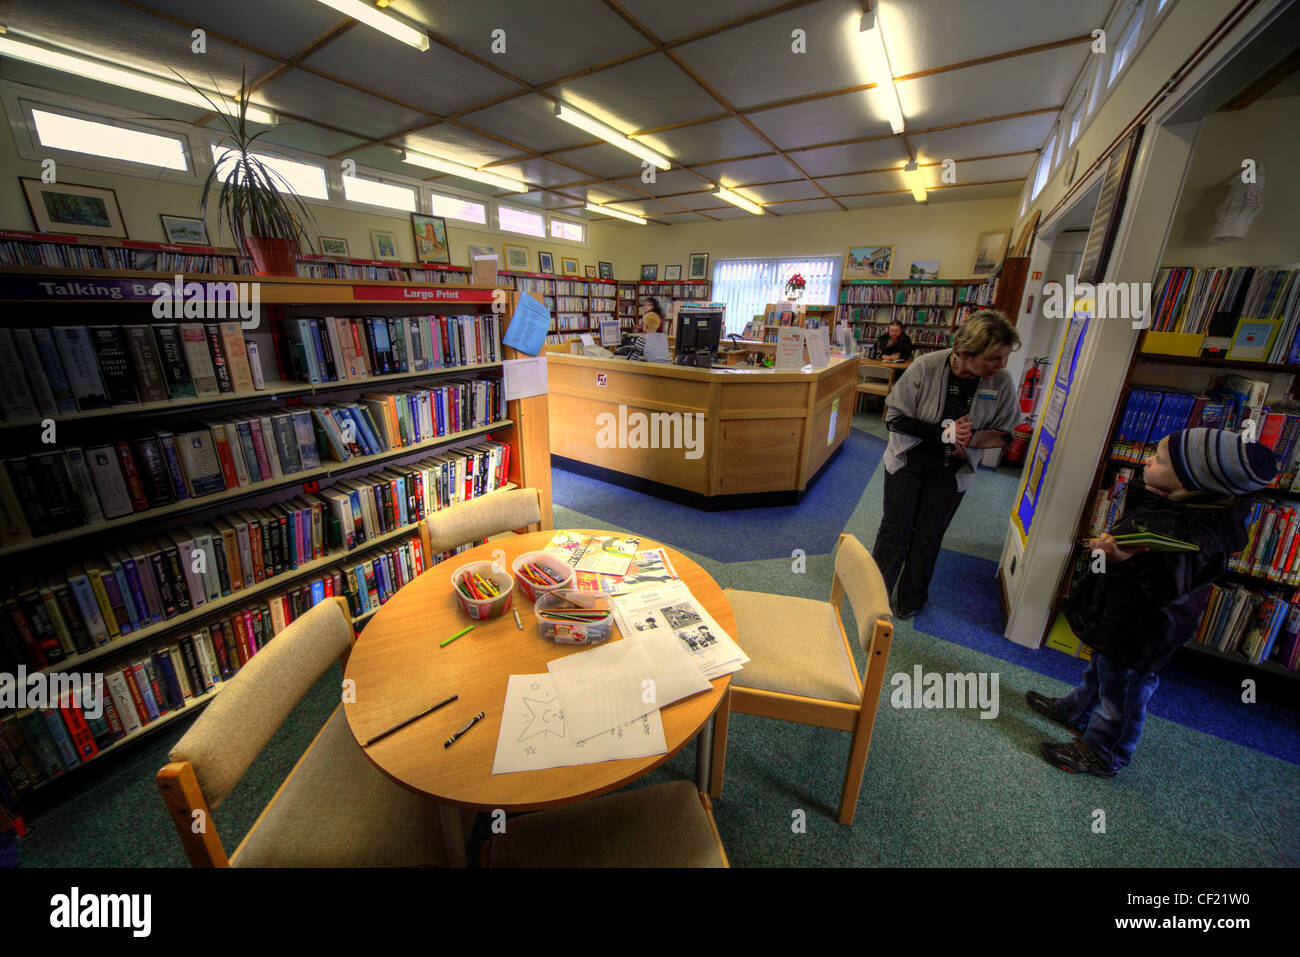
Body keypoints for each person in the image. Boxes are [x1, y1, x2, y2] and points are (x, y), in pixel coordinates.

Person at [1031, 429, 1278, 777]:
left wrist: (1118, 560)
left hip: (1146, 630)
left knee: (1122, 694)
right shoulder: (1175, 502)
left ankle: (1104, 751)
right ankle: (1077, 710)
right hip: (1123, 618)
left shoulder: (1192, 535)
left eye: (1159, 459)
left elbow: (1164, 589)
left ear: (1193, 482)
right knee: (1101, 669)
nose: (1147, 459)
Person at [872, 310, 1020, 619]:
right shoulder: (925, 367)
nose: (1001, 366)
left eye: (1004, 358)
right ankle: (875, 596)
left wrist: (969, 439)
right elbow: (894, 419)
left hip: (952, 470)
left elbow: (1005, 435)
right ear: (966, 353)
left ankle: (911, 599)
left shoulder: (1002, 382)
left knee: (929, 535)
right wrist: (945, 433)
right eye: (994, 358)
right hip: (908, 462)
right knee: (894, 531)